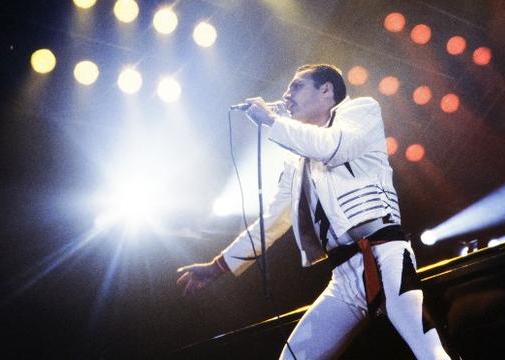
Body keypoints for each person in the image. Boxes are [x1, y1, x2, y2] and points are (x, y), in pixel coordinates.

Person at [176, 64, 451, 359]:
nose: (286, 94)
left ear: (326, 90)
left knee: (430, 353)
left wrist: (270, 120)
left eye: (296, 86)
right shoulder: (297, 160)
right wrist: (218, 267)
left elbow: (331, 146)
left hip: (385, 256)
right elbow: (272, 221)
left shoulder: (361, 112)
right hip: (343, 276)